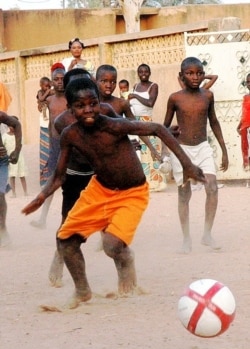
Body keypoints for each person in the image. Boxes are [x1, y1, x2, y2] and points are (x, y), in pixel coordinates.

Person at [22, 78, 205, 309]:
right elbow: (59, 175)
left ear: (99, 103)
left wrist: (187, 165)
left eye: (92, 103)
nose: (88, 110)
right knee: (65, 240)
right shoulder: (70, 134)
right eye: (80, 105)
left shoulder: (113, 125)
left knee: (112, 246)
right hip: (99, 190)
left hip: (132, 192)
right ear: (70, 108)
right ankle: (82, 290)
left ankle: (127, 267)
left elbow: (157, 129)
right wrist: (41, 196)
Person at [48, 68, 119, 287]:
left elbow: (120, 129)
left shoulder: (102, 110)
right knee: (66, 224)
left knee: (111, 227)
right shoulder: (61, 121)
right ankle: (59, 259)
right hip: (75, 176)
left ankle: (124, 271)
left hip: (99, 174)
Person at [163, 57, 229, 253]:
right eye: (190, 73)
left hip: (202, 147)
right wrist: (165, 149)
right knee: (184, 194)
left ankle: (207, 234)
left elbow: (214, 121)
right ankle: (186, 238)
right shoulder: (175, 98)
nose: (195, 77)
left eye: (199, 73)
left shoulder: (207, 95)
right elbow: (164, 127)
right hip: (182, 151)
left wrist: (224, 150)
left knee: (213, 187)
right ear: (182, 75)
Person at [96, 64, 160, 162]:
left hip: (117, 155)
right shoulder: (91, 105)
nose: (108, 85)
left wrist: (151, 147)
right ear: (96, 81)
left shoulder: (121, 104)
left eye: (113, 82)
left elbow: (136, 127)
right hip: (96, 155)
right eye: (104, 81)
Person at [30, 62, 67, 229]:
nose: (59, 81)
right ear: (52, 81)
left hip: (71, 145)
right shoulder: (50, 99)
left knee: (80, 186)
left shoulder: (71, 99)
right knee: (51, 182)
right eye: (56, 79)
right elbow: (40, 103)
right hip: (55, 145)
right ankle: (43, 219)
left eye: (62, 78)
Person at [128, 63, 167, 192]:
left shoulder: (153, 86)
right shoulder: (135, 86)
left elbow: (150, 103)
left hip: (146, 122)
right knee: (139, 154)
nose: (143, 74)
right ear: (138, 73)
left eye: (146, 71)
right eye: (141, 72)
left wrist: (135, 96)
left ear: (149, 73)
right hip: (134, 123)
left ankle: (156, 182)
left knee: (151, 152)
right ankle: (143, 183)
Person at [0, 112, 22, 247]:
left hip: (1, 162)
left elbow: (16, 124)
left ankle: (3, 229)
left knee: (0, 194)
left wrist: (17, 150)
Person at [2, 116, 28, 197]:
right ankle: (14, 193)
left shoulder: (18, 136)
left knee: (22, 175)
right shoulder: (5, 136)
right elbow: (3, 147)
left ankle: (25, 192)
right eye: (10, 125)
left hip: (19, 158)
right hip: (10, 158)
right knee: (12, 176)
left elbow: (20, 145)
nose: (12, 127)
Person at [36, 77, 54, 190]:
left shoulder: (52, 95)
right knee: (44, 152)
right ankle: (44, 179)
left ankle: (52, 179)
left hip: (51, 126)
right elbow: (41, 99)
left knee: (52, 152)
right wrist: (48, 91)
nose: (47, 88)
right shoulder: (40, 93)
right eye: (45, 86)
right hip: (44, 126)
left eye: (48, 86)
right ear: (41, 85)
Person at [237, 73, 250, 174]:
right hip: (245, 129)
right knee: (247, 154)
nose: (249, 84)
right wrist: (239, 126)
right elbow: (245, 114)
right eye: (248, 82)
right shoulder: (246, 97)